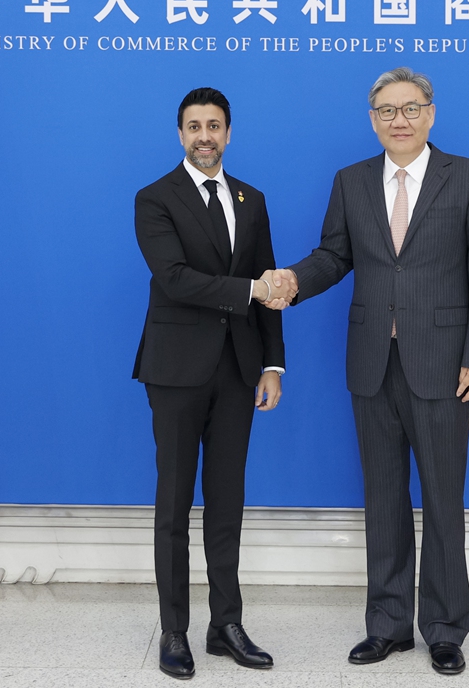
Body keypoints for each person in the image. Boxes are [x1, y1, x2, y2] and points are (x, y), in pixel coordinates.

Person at [271, 67, 469, 675]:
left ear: (431, 113)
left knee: (443, 499)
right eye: (386, 111)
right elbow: (333, 255)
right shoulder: (351, 182)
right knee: (382, 498)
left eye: (409, 108)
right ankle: (388, 624)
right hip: (372, 362)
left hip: (446, 365)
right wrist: (294, 281)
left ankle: (447, 627)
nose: (398, 120)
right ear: (372, 119)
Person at [133, 86, 295, 680]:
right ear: (180, 134)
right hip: (175, 371)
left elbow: (270, 286)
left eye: (215, 125)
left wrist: (272, 364)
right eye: (194, 126)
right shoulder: (154, 198)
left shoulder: (252, 200)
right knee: (174, 504)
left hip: (237, 371)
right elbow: (174, 279)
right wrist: (252, 290)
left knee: (228, 503)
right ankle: (173, 630)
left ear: (229, 133)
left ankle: (225, 623)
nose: (205, 135)